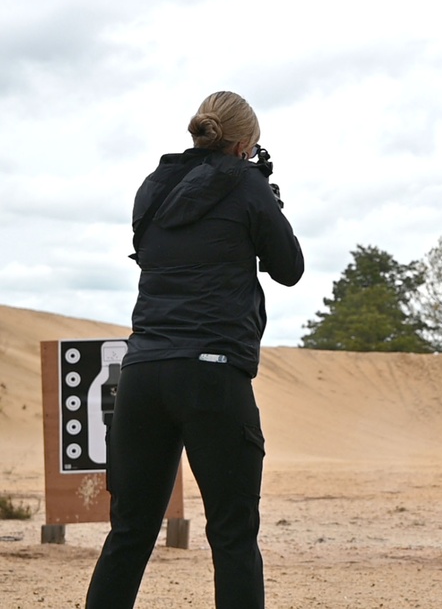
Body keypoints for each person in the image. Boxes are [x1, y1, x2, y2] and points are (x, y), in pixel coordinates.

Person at [86, 91, 304, 609]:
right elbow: (289, 269)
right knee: (232, 537)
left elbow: (153, 256)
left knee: (129, 535)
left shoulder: (153, 186)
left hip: (143, 371)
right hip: (213, 374)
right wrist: (266, 200)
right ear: (245, 143)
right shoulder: (248, 186)